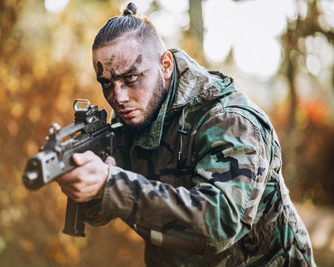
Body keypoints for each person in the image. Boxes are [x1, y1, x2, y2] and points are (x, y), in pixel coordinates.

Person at [56, 2, 315, 266]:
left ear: (165, 65)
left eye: (131, 78)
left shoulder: (231, 121)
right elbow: (105, 212)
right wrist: (88, 185)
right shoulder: (132, 114)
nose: (118, 97)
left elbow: (217, 224)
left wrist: (110, 183)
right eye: (107, 84)